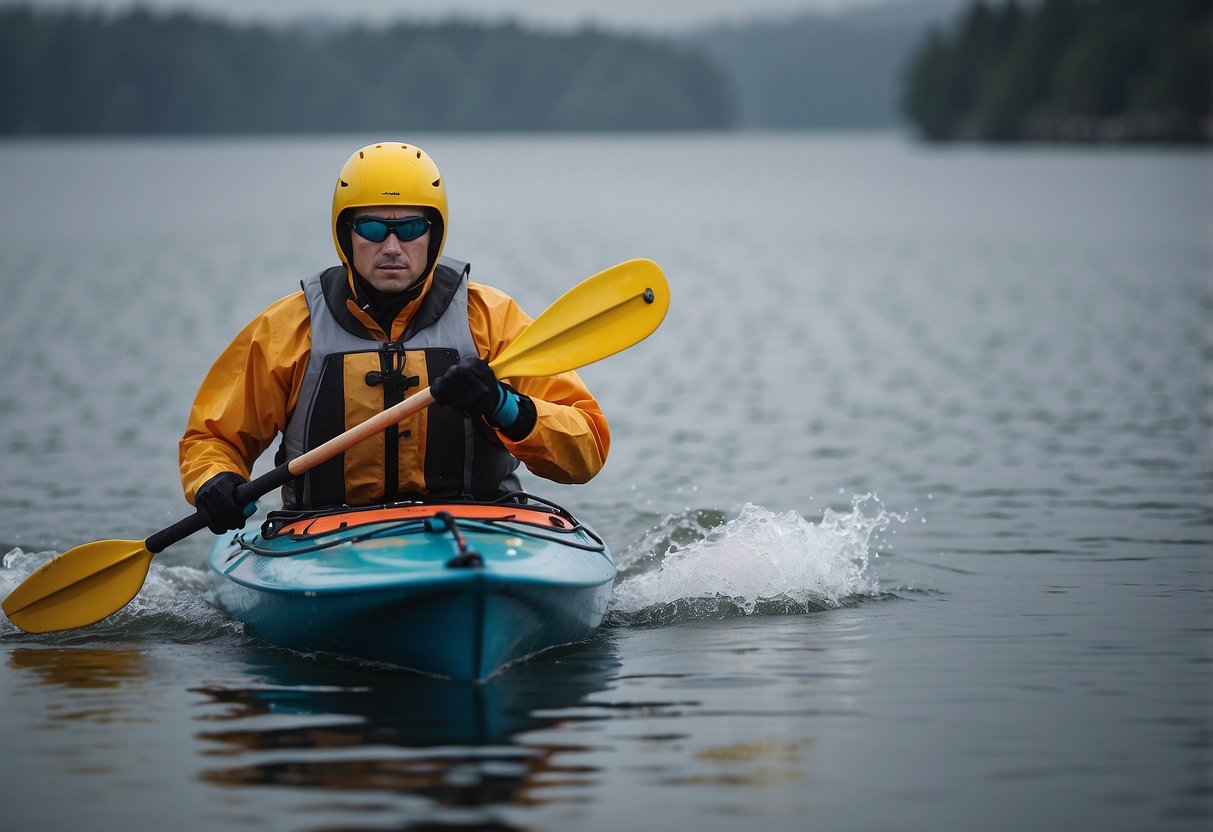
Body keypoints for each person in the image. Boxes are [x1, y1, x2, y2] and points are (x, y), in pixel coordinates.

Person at [180, 141, 609, 533]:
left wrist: (504, 405)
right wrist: (215, 481)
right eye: (371, 229)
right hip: (323, 537)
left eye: (408, 230)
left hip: (480, 530)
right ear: (345, 234)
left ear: (433, 234)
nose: (391, 247)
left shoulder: (492, 321)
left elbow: (586, 447)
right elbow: (213, 438)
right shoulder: (288, 330)